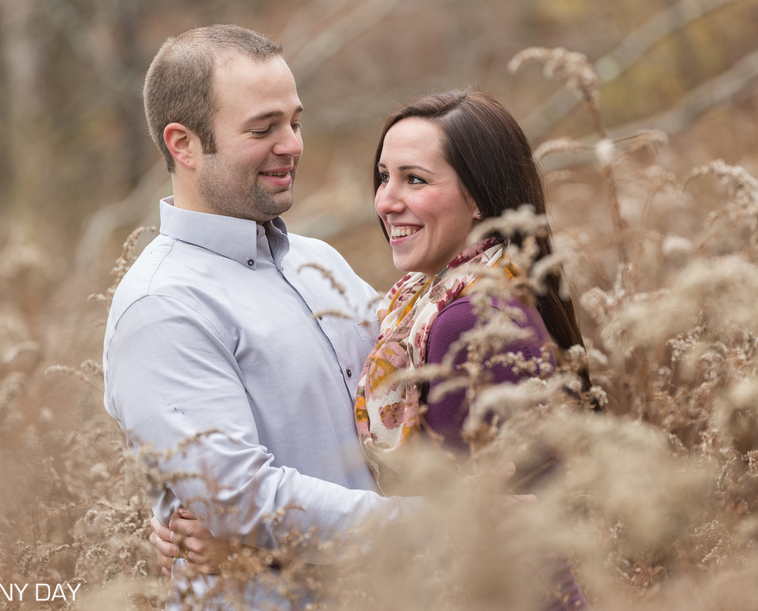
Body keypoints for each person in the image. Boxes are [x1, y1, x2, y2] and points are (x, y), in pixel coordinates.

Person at [155, 88, 591, 610]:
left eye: (415, 179)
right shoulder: (423, 308)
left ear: (478, 196)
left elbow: (464, 539)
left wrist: (250, 552)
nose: (386, 200)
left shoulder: (468, 324)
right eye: (384, 177)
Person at [103, 24, 415, 609]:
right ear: (184, 144)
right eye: (263, 128)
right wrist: (429, 528)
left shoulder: (320, 263)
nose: (293, 144)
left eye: (295, 122)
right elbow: (243, 501)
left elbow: (420, 384)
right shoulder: (162, 307)